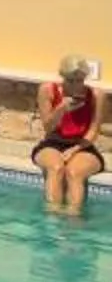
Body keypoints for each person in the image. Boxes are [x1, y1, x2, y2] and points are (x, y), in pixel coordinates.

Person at [33, 55, 104, 215]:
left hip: (82, 145)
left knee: (74, 172)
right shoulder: (47, 90)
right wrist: (61, 109)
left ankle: (73, 222)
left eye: (79, 80)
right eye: (70, 80)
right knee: (56, 168)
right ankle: (51, 219)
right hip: (53, 142)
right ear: (63, 77)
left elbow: (93, 130)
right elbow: (48, 128)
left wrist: (74, 150)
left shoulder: (97, 95)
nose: (75, 85)